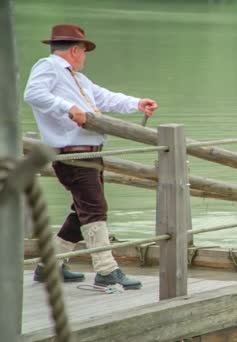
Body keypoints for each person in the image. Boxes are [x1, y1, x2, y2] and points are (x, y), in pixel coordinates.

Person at [24, 24, 158, 290]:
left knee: (82, 211)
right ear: (75, 50)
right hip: (72, 154)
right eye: (84, 51)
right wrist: (69, 108)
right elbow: (33, 94)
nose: (85, 57)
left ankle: (50, 267)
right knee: (94, 209)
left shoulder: (77, 79)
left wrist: (136, 103)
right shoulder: (48, 66)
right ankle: (107, 270)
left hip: (88, 153)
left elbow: (104, 98)